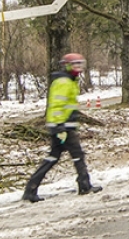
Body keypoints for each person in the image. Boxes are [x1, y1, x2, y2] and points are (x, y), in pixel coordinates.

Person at [22, 53, 100, 201]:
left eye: (80, 64)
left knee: (53, 157)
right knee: (77, 155)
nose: (79, 67)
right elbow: (57, 106)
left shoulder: (69, 80)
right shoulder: (64, 82)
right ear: (67, 65)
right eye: (76, 64)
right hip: (63, 127)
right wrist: (59, 127)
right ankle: (84, 185)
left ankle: (31, 188)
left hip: (63, 126)